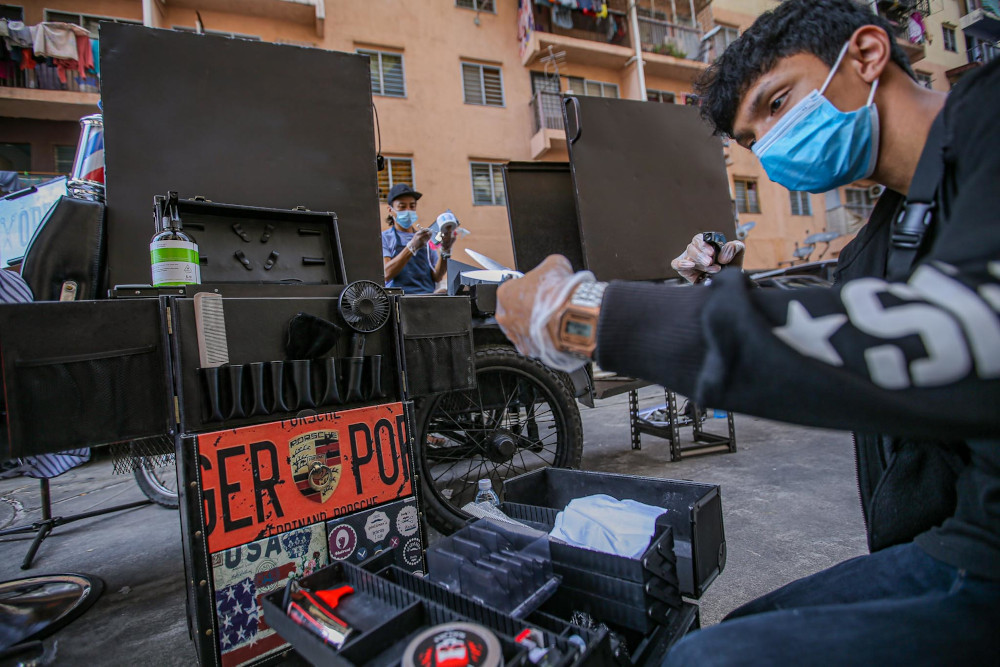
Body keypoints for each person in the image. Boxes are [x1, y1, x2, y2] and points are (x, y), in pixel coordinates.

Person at [495, 0, 999, 662]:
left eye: (778, 101)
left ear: (868, 54)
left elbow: (946, 332)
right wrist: (726, 291)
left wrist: (585, 310)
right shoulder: (885, 236)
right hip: (956, 533)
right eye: (755, 138)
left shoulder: (989, 119)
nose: (773, 143)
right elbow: (839, 328)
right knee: (739, 623)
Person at [381, 183, 454, 294]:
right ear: (390, 210)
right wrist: (411, 247)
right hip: (399, 301)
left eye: (412, 206)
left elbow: (437, 277)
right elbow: (385, 274)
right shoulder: (385, 238)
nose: (408, 210)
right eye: (402, 206)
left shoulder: (425, 238)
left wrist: (445, 250)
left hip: (427, 298)